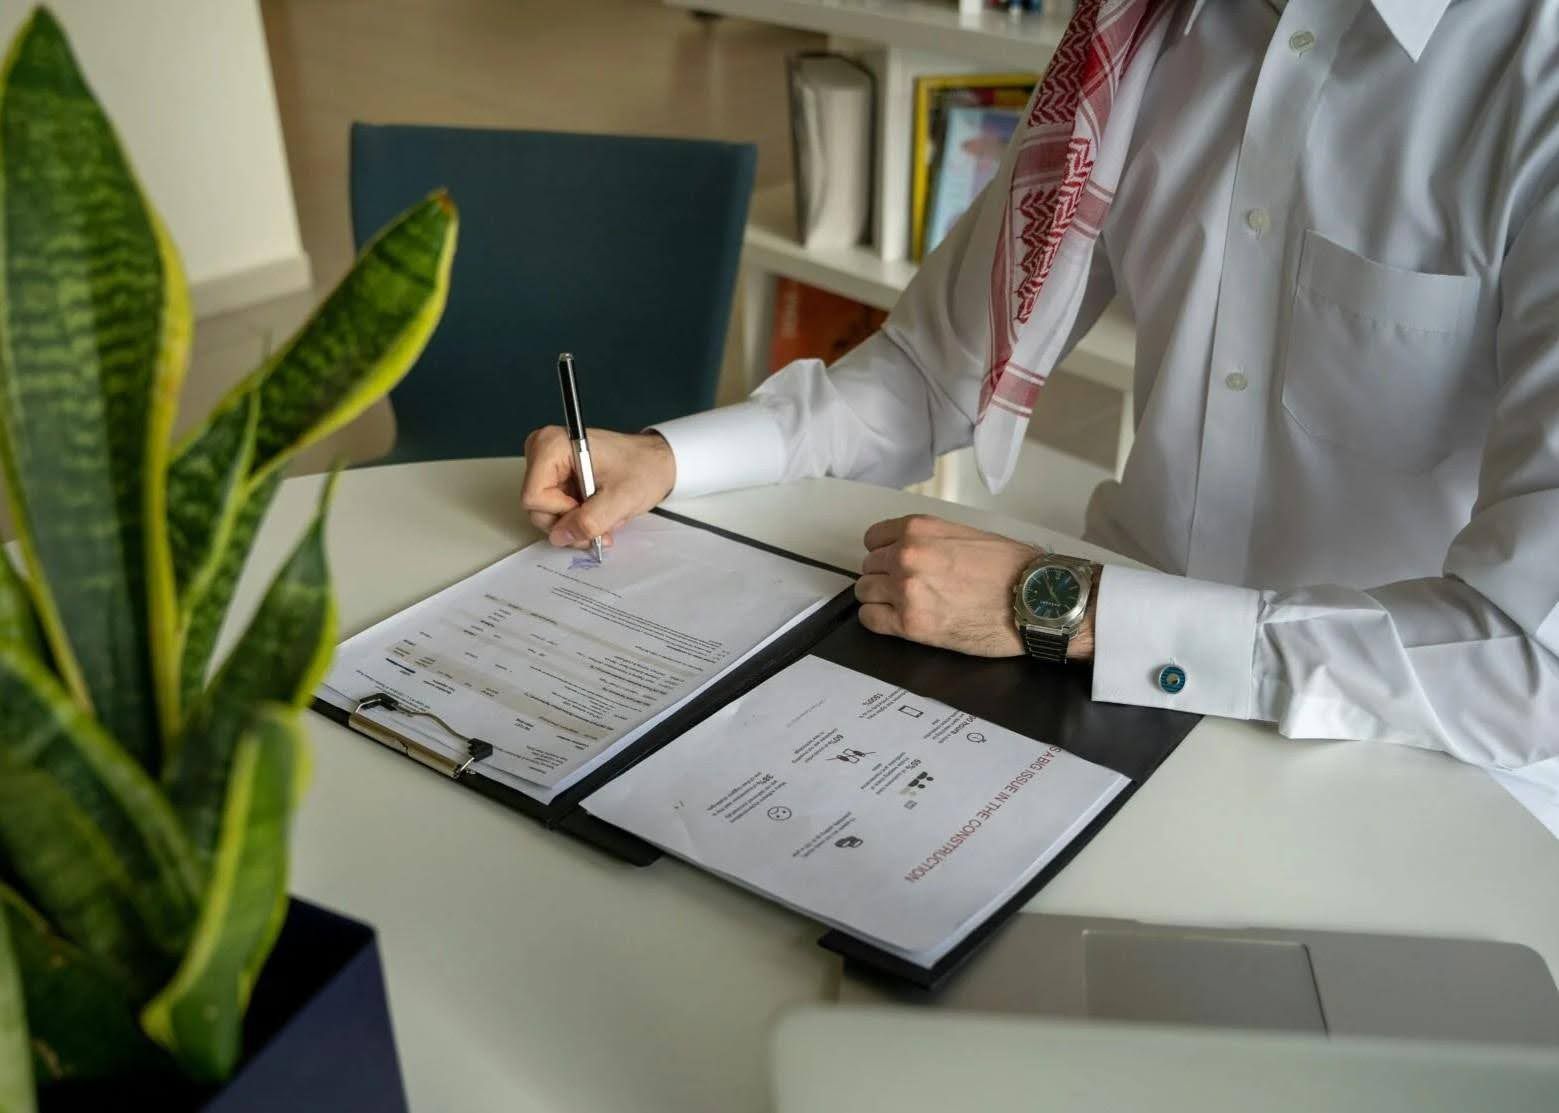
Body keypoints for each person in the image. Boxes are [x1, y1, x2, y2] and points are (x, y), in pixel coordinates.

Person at [522, 0, 1559, 788]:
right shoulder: (1144, 31)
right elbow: (931, 370)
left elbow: (1528, 664)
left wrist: (1067, 610)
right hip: (1101, 709)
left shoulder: (1533, 81)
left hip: (1411, 769)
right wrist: (669, 459)